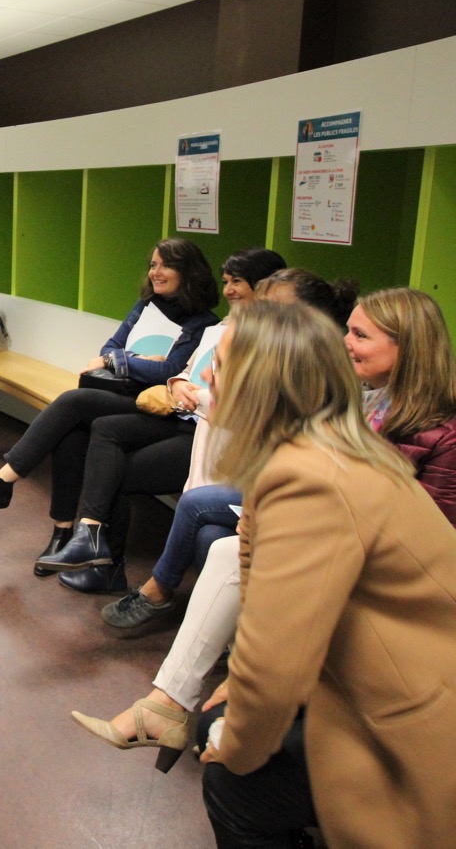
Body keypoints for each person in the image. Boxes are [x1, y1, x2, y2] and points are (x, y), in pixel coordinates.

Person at [194, 301, 456, 848]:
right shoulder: (324, 449)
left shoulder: (310, 478)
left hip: (414, 721)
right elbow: (264, 585)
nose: (208, 377)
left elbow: (274, 662)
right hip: (389, 684)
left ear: (258, 385)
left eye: (220, 363)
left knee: (232, 782)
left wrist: (235, 742)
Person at [0, 238, 220, 553]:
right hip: (121, 392)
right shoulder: (147, 305)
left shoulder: (204, 323)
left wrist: (124, 360)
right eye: (153, 265)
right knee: (72, 430)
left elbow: (169, 372)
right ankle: (61, 533)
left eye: (166, 265)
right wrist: (133, 361)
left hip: (154, 406)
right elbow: (109, 348)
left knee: (73, 403)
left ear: (188, 272)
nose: (156, 272)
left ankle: (2, 483)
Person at [46, 247, 285, 593]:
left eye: (238, 282)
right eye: (227, 282)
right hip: (187, 417)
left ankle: (106, 561)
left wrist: (187, 388)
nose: (229, 290)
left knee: (106, 452)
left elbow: (236, 401)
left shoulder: (268, 339)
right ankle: (86, 544)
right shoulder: (224, 326)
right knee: (97, 426)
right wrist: (177, 385)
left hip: (209, 436)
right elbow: (184, 372)